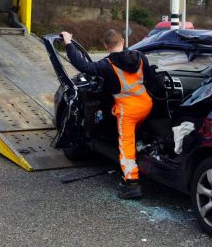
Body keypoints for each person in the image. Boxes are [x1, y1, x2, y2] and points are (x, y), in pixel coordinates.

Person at [61, 29, 153, 199]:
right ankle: (143, 146)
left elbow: (83, 65)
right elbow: (150, 78)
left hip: (128, 110)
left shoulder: (106, 64)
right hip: (146, 104)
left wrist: (68, 43)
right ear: (123, 41)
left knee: (126, 145)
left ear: (105, 45)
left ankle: (132, 184)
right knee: (137, 131)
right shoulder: (140, 57)